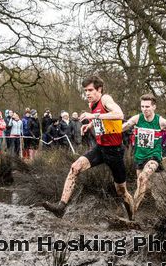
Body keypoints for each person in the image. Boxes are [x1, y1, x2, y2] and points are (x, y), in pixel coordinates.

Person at [42, 76, 133, 219]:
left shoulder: (105, 99)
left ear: (99, 89)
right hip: (100, 148)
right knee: (75, 167)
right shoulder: (92, 104)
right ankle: (61, 206)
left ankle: (132, 219)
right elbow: (102, 119)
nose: (87, 94)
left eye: (90, 90)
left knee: (121, 191)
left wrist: (93, 117)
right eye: (85, 91)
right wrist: (89, 124)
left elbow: (119, 114)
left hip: (115, 151)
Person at [122, 94, 166, 215]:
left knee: (142, 178)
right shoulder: (137, 118)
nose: (145, 109)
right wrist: (108, 132)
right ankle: (148, 205)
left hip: (154, 156)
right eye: (142, 106)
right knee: (141, 184)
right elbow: (123, 127)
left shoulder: (161, 121)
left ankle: (132, 212)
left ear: (154, 107)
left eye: (147, 106)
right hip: (140, 156)